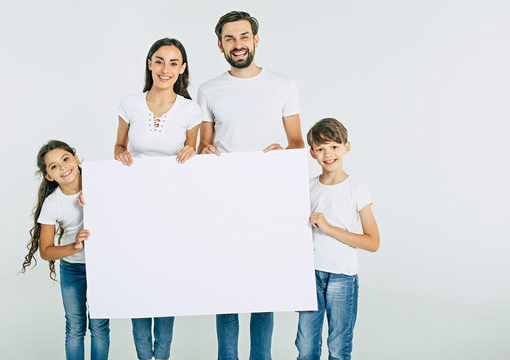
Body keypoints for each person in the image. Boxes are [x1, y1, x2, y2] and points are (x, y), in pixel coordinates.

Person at [197, 10, 304, 360]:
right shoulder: (209, 89)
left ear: (256, 40)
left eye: (243, 37)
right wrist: (205, 152)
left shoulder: (284, 83)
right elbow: (204, 146)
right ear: (219, 45)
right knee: (226, 289)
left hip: (269, 200)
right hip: (224, 200)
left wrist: (282, 152)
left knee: (263, 289)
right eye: (229, 38)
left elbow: (297, 142)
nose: (237, 44)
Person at [114, 37, 201, 360]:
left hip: (173, 208)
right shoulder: (129, 104)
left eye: (173, 63)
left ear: (182, 69)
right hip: (134, 205)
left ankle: (161, 356)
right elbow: (119, 147)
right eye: (160, 61)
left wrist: (192, 151)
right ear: (150, 63)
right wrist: (122, 155)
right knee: (139, 281)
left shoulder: (190, 110)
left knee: (165, 284)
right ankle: (142, 356)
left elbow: (193, 155)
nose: (166, 69)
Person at [296, 118, 380, 360]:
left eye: (333, 146)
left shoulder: (357, 189)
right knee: (305, 348)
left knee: (338, 347)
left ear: (346, 147)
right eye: (320, 148)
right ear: (312, 153)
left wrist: (329, 228)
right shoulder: (306, 187)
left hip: (342, 275)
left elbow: (373, 242)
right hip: (310, 274)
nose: (327, 154)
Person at [21, 140, 110, 360]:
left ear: (76, 158)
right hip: (72, 269)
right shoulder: (52, 204)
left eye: (65, 159)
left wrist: (97, 201)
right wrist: (74, 247)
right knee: (75, 327)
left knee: (99, 326)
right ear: (49, 176)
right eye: (53, 166)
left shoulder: (99, 183)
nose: (62, 167)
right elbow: (46, 251)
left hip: (102, 266)